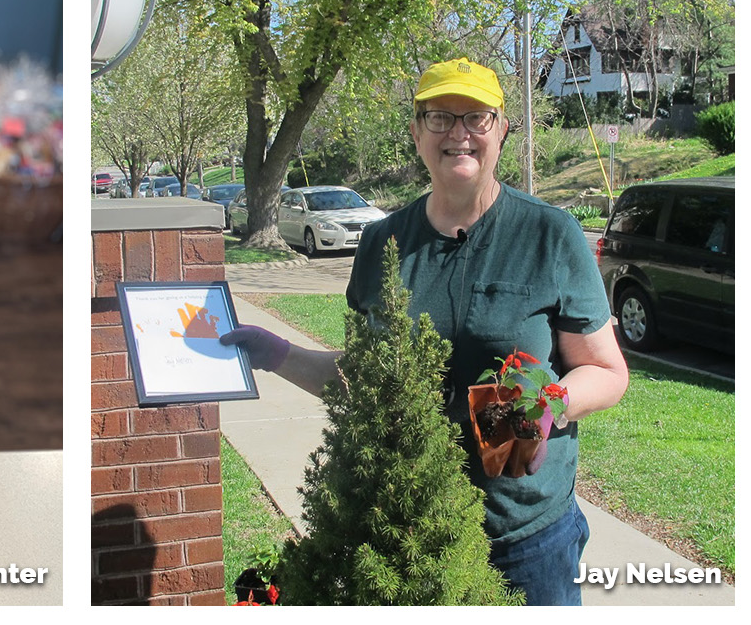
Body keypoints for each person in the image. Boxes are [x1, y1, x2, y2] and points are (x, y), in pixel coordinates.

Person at [222, 57, 628, 605]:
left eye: (477, 117)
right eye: (440, 117)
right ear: (416, 132)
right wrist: (275, 353)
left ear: (502, 130)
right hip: (407, 531)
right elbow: (364, 379)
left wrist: (549, 403)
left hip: (523, 537)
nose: (459, 133)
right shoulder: (381, 244)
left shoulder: (550, 235)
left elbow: (606, 371)